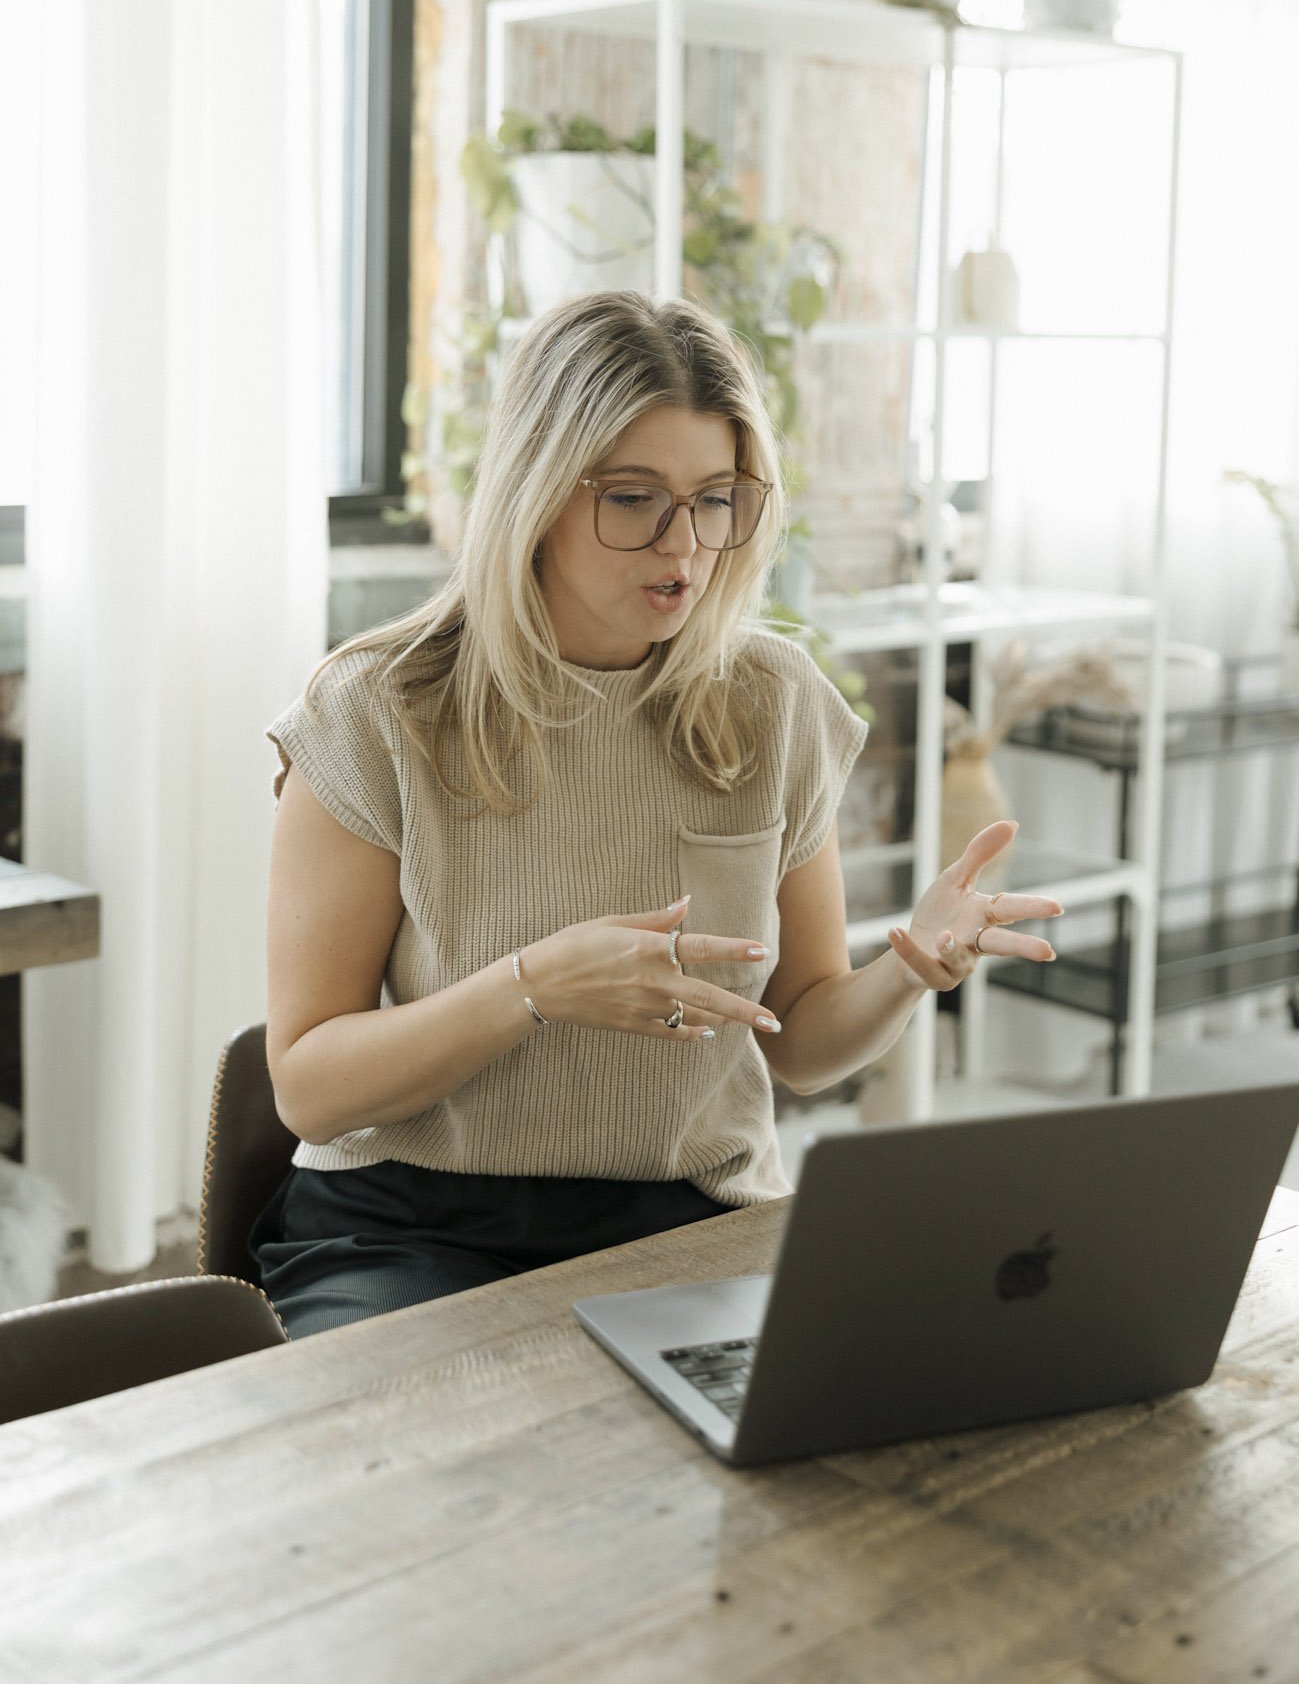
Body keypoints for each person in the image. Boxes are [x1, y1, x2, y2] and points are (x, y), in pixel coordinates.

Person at [250, 290, 1064, 1337]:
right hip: (408, 1223)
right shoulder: (374, 708)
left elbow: (802, 1040)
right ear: (536, 494)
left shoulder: (772, 702)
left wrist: (910, 969)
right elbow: (309, 1087)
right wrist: (533, 985)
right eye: (632, 498)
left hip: (695, 1215)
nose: (684, 543)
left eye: (716, 497)